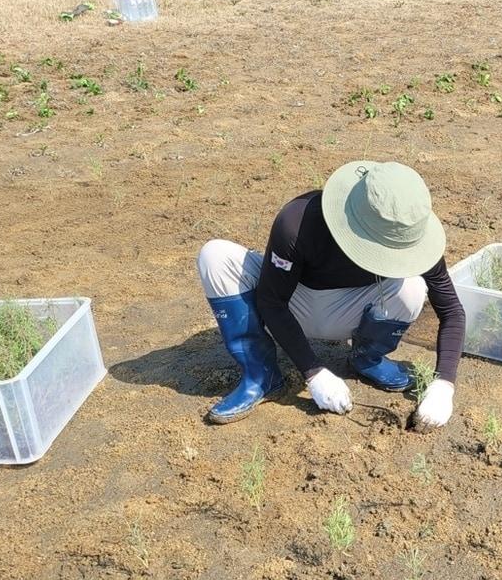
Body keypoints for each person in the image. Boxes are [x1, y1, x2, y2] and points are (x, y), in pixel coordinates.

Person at [195, 161, 463, 428]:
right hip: (292, 302)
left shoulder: (410, 237)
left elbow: (451, 310)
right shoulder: (299, 221)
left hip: (351, 309)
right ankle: (261, 376)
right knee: (215, 256)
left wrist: (444, 385)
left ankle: (368, 359)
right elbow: (271, 299)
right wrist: (313, 372)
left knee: (412, 286)